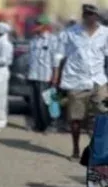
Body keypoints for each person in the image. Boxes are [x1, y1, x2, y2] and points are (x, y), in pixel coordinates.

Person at [54, 4, 108, 159]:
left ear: (97, 16)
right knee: (76, 118)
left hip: (98, 80)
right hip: (76, 80)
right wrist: (56, 76)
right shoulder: (70, 33)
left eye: (92, 14)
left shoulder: (105, 33)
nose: (89, 17)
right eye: (86, 14)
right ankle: (76, 149)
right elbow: (58, 55)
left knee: (102, 116)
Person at [26, 15, 59, 133]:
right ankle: (38, 125)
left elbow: (56, 60)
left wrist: (55, 76)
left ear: (45, 26)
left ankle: (51, 125)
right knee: (35, 103)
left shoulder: (52, 40)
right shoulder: (33, 40)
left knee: (47, 103)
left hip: (46, 76)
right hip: (34, 75)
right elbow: (30, 59)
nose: (36, 26)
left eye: (38, 24)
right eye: (36, 23)